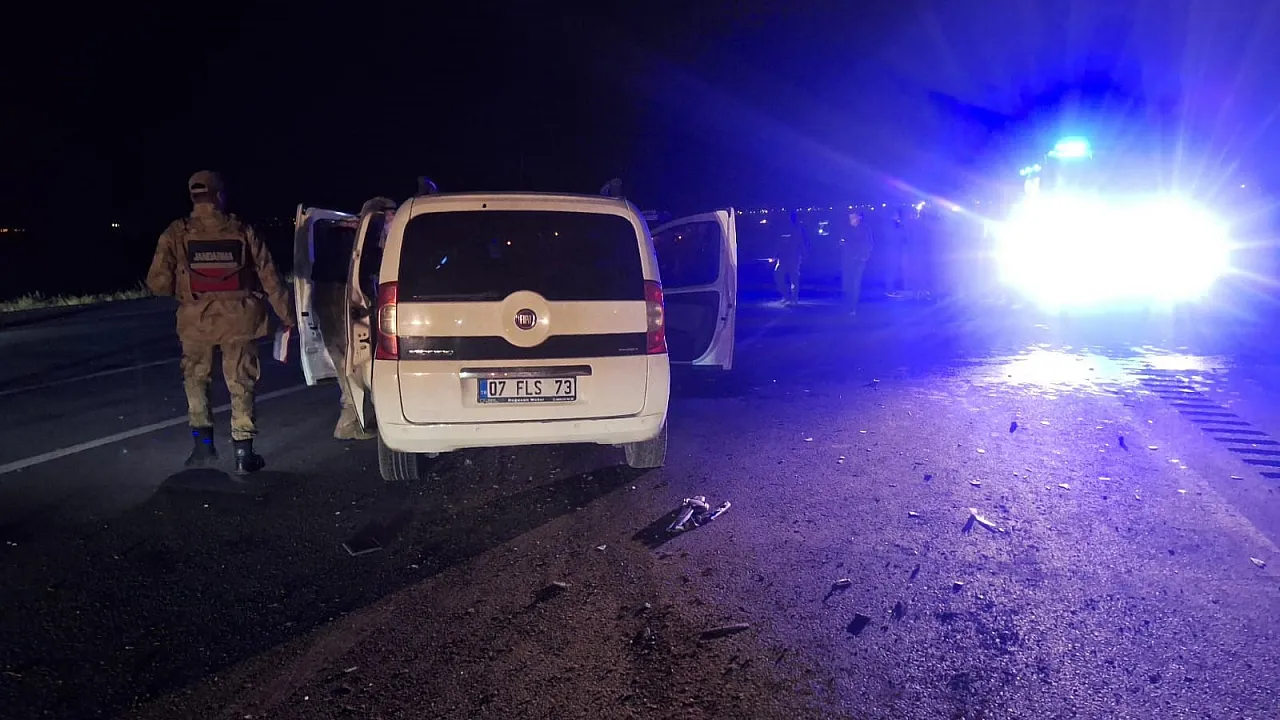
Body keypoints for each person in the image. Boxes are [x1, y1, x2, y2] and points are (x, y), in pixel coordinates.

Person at [146, 171, 294, 474]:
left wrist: (188, 291)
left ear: (193, 196)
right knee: (241, 382)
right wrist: (289, 317)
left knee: (196, 380)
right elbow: (270, 277)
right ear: (220, 195)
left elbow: (157, 283)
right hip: (240, 318)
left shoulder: (176, 232)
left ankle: (203, 447)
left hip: (196, 321)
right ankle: (243, 453)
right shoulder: (243, 230)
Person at [313, 196, 397, 440]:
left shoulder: (344, 234)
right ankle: (350, 423)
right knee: (351, 361)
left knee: (348, 361)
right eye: (390, 216)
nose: (391, 223)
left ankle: (352, 420)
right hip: (340, 301)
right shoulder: (357, 238)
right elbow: (368, 266)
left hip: (330, 300)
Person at [841, 210, 875, 315]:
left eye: (853, 218)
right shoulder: (847, 229)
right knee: (848, 283)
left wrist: (864, 256)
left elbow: (869, 244)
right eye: (850, 218)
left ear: (858, 218)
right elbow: (843, 242)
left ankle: (853, 307)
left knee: (856, 283)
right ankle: (849, 305)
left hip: (859, 260)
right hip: (848, 260)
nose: (851, 220)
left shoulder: (865, 229)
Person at [774, 210, 809, 305]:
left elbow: (802, 243)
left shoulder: (798, 230)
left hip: (794, 258)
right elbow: (778, 244)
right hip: (783, 258)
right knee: (779, 276)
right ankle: (786, 296)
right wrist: (776, 255)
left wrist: (804, 254)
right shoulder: (783, 229)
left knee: (794, 278)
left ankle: (793, 298)